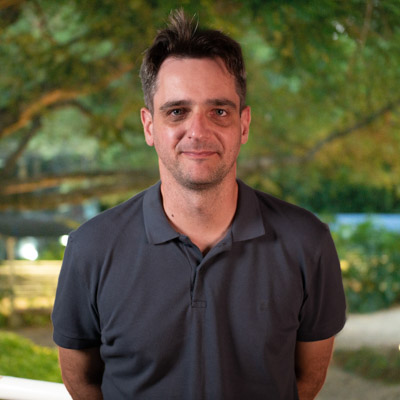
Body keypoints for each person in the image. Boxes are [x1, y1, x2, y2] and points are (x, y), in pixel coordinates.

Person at [52, 9, 346, 400]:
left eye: (219, 111)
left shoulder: (307, 242)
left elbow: (308, 378)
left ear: (243, 124)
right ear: (149, 126)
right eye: (177, 111)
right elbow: (82, 381)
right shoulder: (91, 248)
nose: (198, 131)